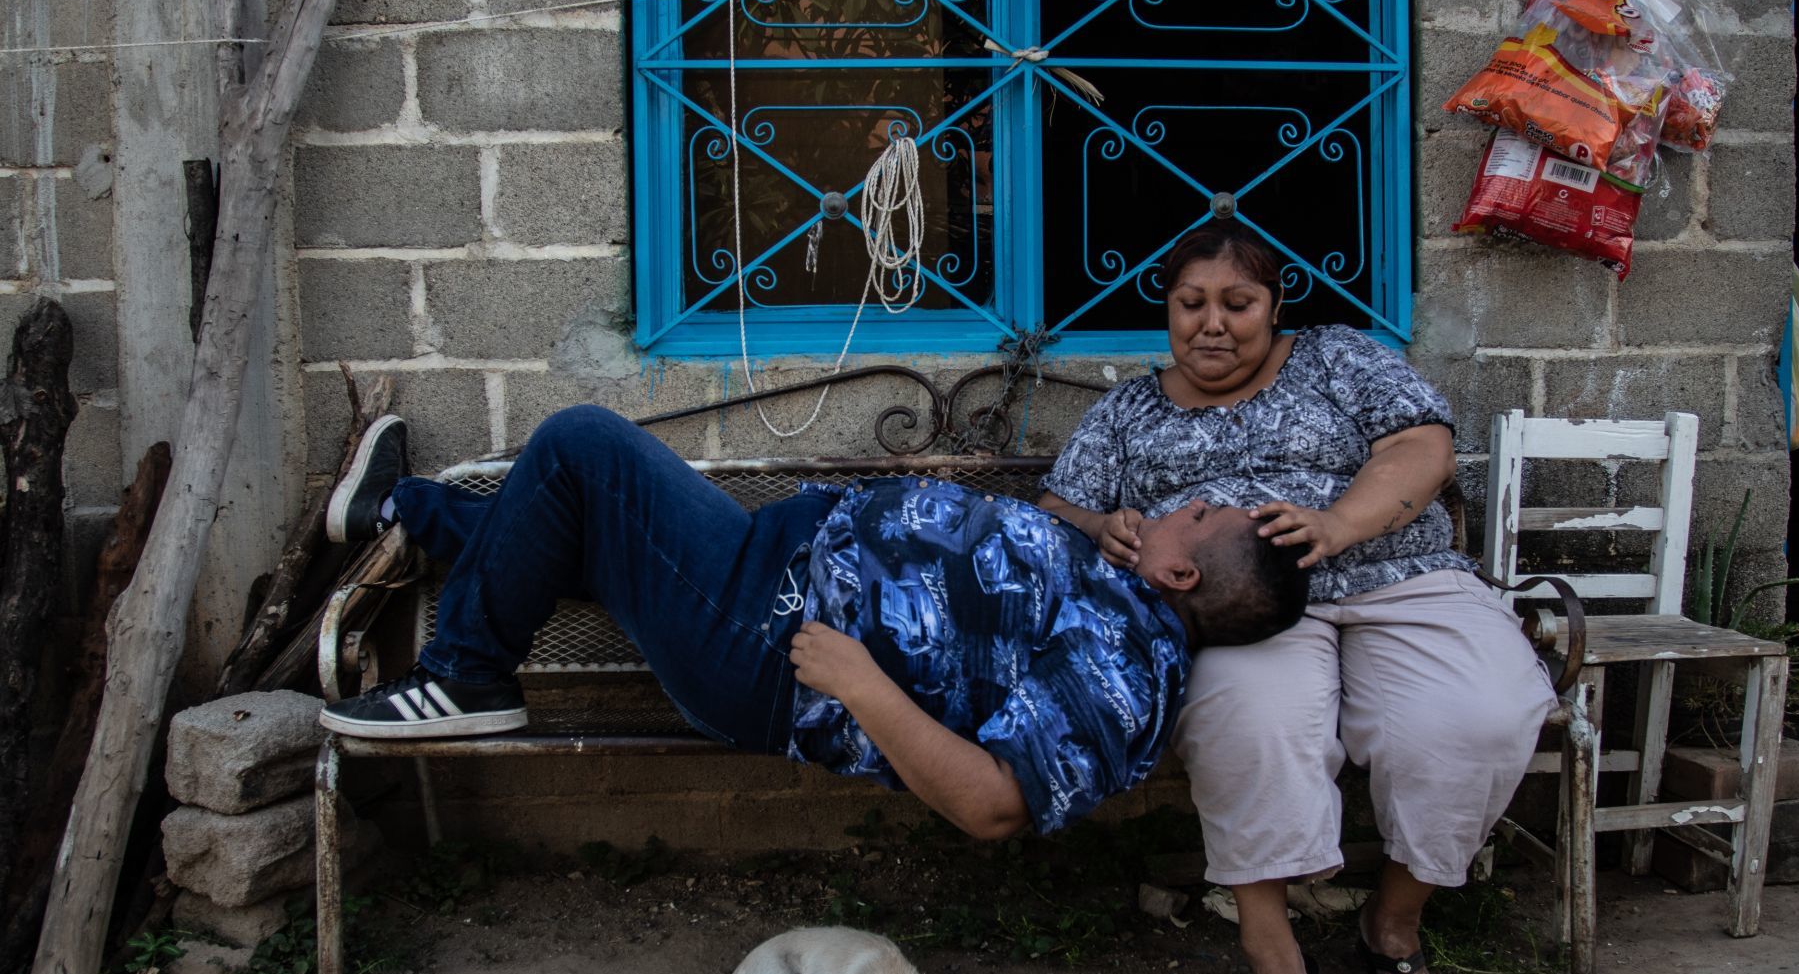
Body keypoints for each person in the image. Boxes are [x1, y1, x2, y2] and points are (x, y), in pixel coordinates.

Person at [1039, 222, 1556, 974]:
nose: (1213, 324)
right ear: (1166, 308)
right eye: (1191, 303)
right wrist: (1108, 526)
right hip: (1241, 611)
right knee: (1251, 729)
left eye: (1238, 304)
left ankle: (1394, 918)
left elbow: (1421, 446)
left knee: (1483, 715)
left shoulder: (1335, 358)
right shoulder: (1131, 410)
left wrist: (1335, 525)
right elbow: (1061, 507)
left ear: (1274, 306)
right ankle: (1269, 944)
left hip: (1399, 573)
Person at [317, 404, 1308, 840]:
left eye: (1200, 513)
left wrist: (861, 681)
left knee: (581, 445)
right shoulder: (1122, 599)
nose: (1185, 501)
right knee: (572, 525)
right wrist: (1097, 527)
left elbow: (996, 803)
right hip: (777, 572)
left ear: (1185, 568)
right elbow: (1018, 576)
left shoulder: (1127, 673)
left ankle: (468, 677)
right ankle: (398, 514)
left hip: (771, 635)